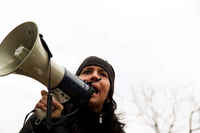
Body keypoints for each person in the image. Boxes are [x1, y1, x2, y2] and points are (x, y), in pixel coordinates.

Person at [20, 56, 125, 133]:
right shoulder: (54, 113)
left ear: (108, 96)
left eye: (102, 74)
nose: (94, 76)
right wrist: (42, 123)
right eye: (87, 72)